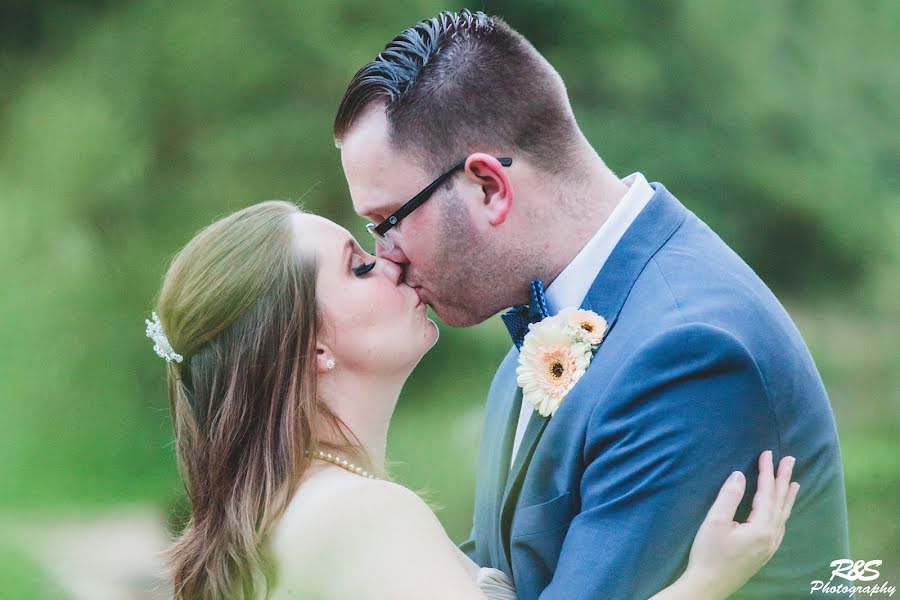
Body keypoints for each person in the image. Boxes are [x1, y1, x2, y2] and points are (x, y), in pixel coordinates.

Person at [333, 9, 850, 599]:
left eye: (388, 221)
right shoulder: (542, 330)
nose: (387, 258)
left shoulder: (690, 356)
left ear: (487, 186)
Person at [148, 201, 797, 599]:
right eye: (357, 266)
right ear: (314, 346)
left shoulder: (289, 515)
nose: (391, 262)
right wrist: (706, 581)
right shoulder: (359, 517)